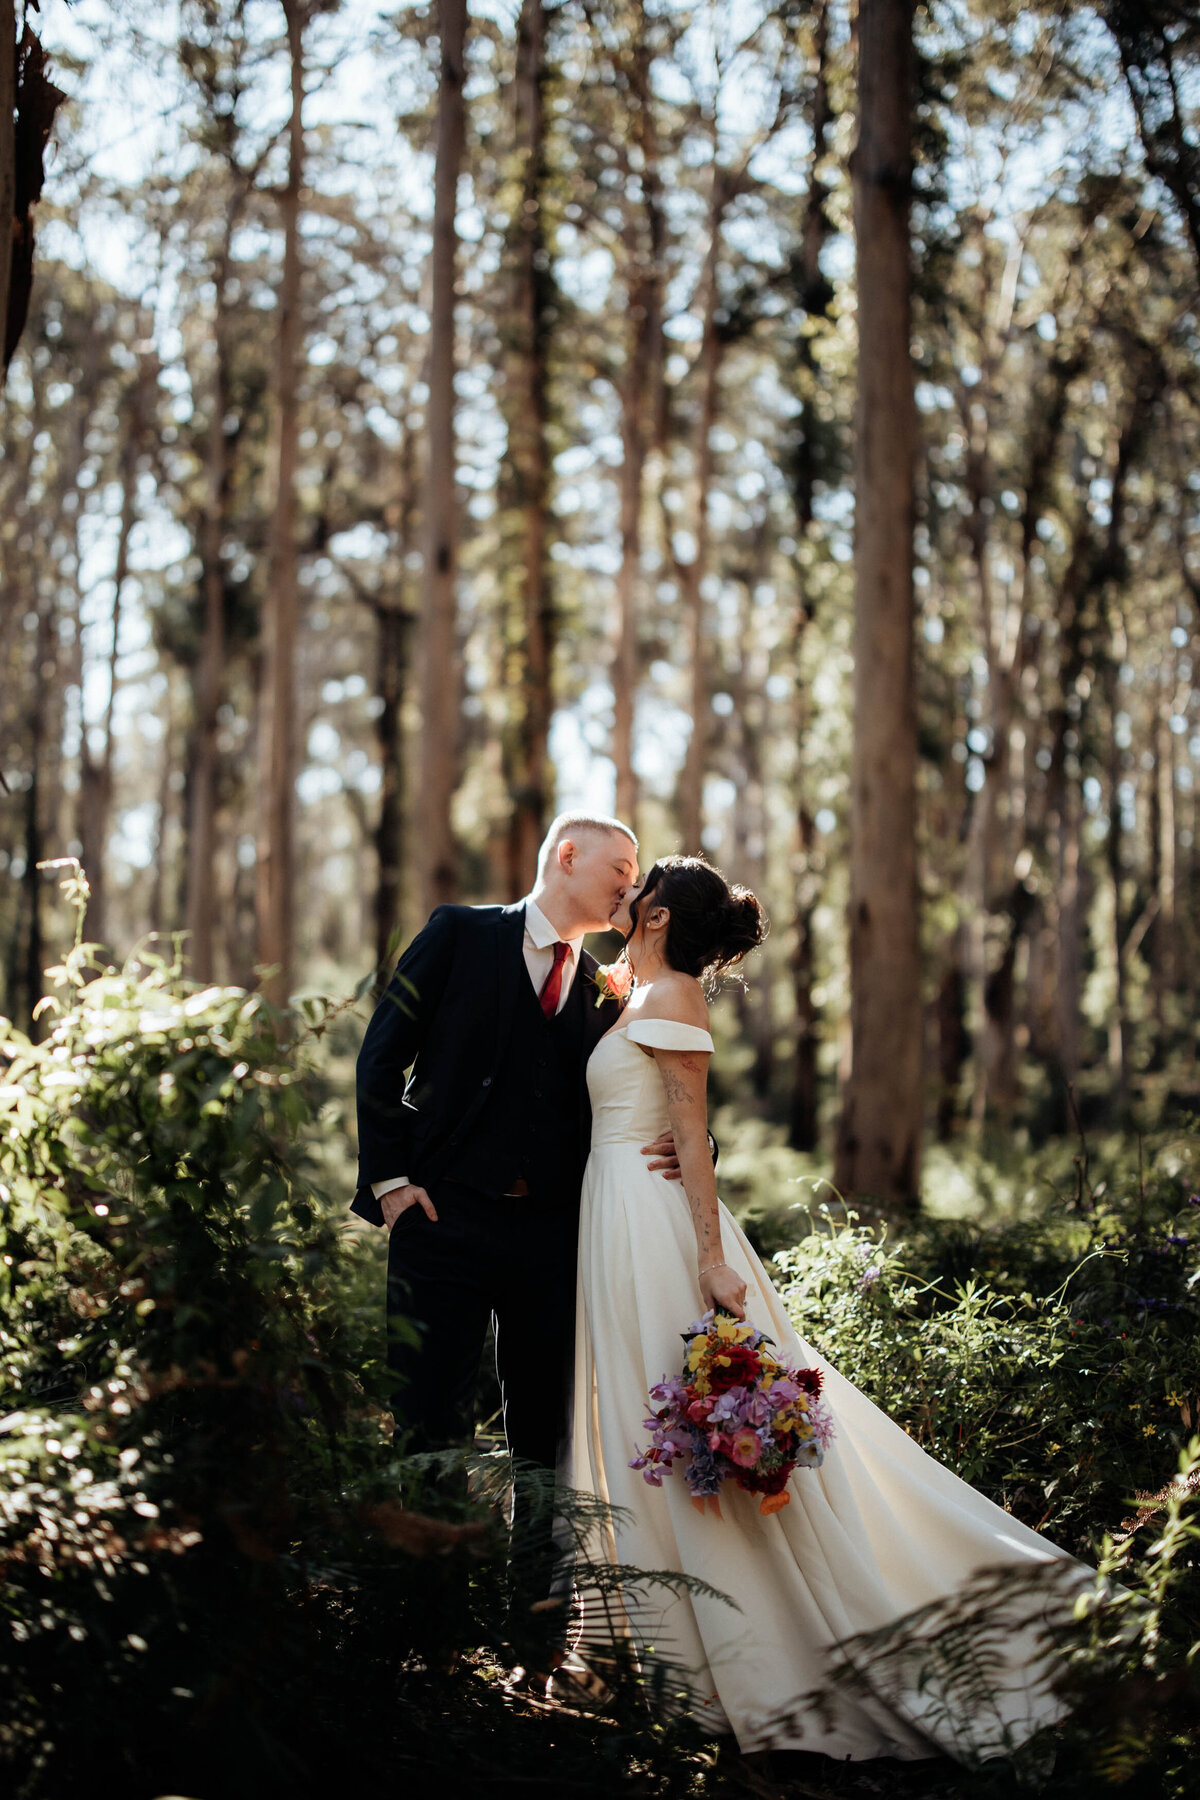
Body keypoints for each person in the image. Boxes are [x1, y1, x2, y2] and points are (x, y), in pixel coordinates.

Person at [570, 854, 1088, 1763]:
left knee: (675, 1415)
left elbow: (691, 1135)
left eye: (636, 882)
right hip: (610, 1217)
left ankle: (745, 1652)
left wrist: (709, 1259)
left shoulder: (675, 997)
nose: (623, 892)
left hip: (655, 1234)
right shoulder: (634, 992)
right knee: (631, 1420)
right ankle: (651, 1648)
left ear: (655, 914)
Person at [352, 813, 688, 1639]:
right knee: (432, 1426)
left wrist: (694, 1140)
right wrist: (393, 1183)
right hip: (443, 1225)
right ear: (567, 857)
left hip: (551, 1241)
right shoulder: (459, 934)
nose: (631, 884)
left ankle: (534, 1631)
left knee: (546, 1440)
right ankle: (429, 1628)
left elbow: (643, 1085)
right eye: (622, 865)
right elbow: (380, 1053)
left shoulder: (608, 986)